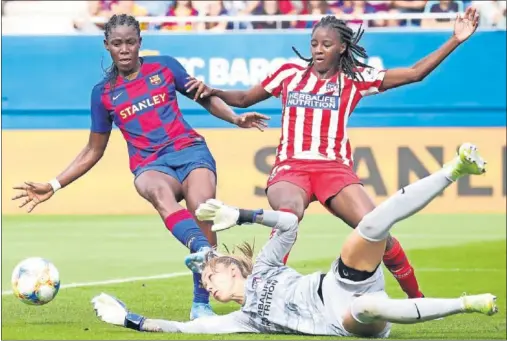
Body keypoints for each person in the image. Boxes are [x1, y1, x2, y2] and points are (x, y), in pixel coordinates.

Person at [183, 7, 481, 299]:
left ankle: (415, 297)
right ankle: (263, 293)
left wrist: (455, 39)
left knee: (376, 228)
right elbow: (246, 98)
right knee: (288, 216)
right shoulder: (289, 74)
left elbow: (415, 74)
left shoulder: (354, 78)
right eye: (314, 44)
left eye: (326, 44)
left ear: (341, 47)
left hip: (334, 170)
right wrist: (216, 91)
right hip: (291, 169)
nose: (318, 50)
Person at [11, 14, 268, 320]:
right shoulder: (103, 94)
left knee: (203, 209)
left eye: (130, 42)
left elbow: (205, 97)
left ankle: (201, 304)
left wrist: (236, 119)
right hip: (150, 164)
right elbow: (94, 149)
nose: (124, 49)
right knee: (156, 191)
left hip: (189, 151)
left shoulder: (165, 67)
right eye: (117, 43)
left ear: (140, 43)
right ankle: (205, 253)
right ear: (107, 45)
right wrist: (54, 184)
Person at [91, 142, 497, 337]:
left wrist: (243, 215)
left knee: (372, 224)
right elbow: (183, 329)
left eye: (211, 275)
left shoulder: (267, 266)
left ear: (233, 267)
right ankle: (466, 304)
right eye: (206, 282)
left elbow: (288, 223)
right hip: (346, 320)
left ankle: (455, 169)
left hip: (339, 282)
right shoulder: (242, 319)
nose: (207, 283)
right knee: (372, 304)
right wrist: (131, 320)